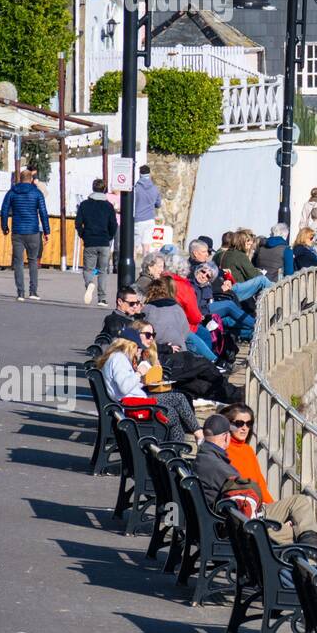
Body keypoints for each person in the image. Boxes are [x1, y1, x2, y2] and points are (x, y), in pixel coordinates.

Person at [193, 414, 317, 562]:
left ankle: (310, 542)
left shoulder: (205, 457)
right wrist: (275, 522)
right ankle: (309, 567)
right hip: (239, 526)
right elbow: (245, 492)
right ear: (225, 437)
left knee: (298, 501)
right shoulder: (218, 466)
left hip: (232, 516)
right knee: (295, 532)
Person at [97, 326, 202, 445]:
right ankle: (176, 451)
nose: (138, 351)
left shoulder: (116, 357)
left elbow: (124, 385)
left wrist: (141, 381)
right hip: (132, 407)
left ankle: (189, 440)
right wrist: (139, 373)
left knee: (179, 398)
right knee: (173, 411)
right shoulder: (119, 359)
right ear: (130, 345)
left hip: (132, 402)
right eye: (137, 347)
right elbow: (124, 387)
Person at [0, 169, 49, 301]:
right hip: (33, 231)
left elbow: (4, 210)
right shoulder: (37, 193)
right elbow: (43, 212)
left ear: (20, 179)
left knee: (18, 262)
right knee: (33, 261)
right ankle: (33, 291)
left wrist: (4, 226)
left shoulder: (12, 192)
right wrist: (47, 231)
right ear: (31, 180)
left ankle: (20, 293)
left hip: (17, 231)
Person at [76, 177, 118, 306]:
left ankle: (90, 284)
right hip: (104, 241)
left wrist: (83, 234)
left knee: (88, 270)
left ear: (93, 188)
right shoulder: (108, 206)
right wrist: (109, 237)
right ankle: (102, 299)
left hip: (90, 241)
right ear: (104, 189)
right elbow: (113, 224)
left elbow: (78, 223)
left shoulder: (84, 205)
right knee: (102, 270)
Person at [88, 287, 145, 359]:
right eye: (132, 303)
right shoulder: (114, 320)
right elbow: (118, 346)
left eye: (137, 303)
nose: (135, 306)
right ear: (120, 301)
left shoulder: (130, 318)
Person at [132, 164, 162, 256]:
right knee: (146, 245)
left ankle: (132, 267)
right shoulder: (154, 188)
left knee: (134, 245)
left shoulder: (136, 188)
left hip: (138, 219)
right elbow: (158, 204)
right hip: (150, 219)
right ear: (149, 174)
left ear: (140, 174)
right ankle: (145, 267)